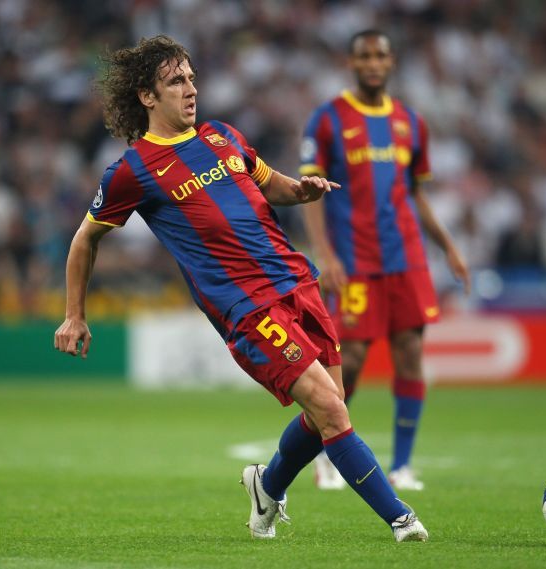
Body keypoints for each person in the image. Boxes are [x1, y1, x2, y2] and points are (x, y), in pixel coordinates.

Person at [53, 35, 428, 542]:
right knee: (332, 409)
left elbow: (270, 182)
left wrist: (302, 190)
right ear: (147, 96)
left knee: (328, 410)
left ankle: (267, 486)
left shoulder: (221, 135)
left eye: (190, 78)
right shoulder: (132, 171)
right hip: (246, 308)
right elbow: (84, 241)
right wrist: (75, 314)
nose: (190, 89)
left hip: (298, 282)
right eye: (175, 81)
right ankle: (401, 519)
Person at [300, 30, 470, 491]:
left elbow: (414, 193)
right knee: (349, 359)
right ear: (351, 62)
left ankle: (402, 465)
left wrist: (449, 247)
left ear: (391, 62)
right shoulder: (328, 120)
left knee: (410, 354)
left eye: (380, 56)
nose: (373, 63)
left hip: (406, 256)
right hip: (354, 259)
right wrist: (325, 254)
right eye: (364, 56)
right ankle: (328, 454)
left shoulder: (410, 123)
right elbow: (311, 193)